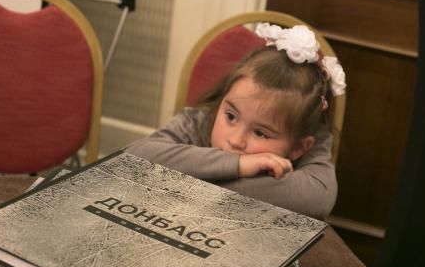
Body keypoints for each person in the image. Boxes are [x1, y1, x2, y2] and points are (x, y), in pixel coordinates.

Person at [125, 23, 346, 219]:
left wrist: (187, 176)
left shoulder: (311, 141)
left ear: (298, 147)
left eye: (260, 133)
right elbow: (134, 156)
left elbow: (318, 197)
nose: (236, 140)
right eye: (231, 117)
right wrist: (238, 165)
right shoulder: (199, 121)